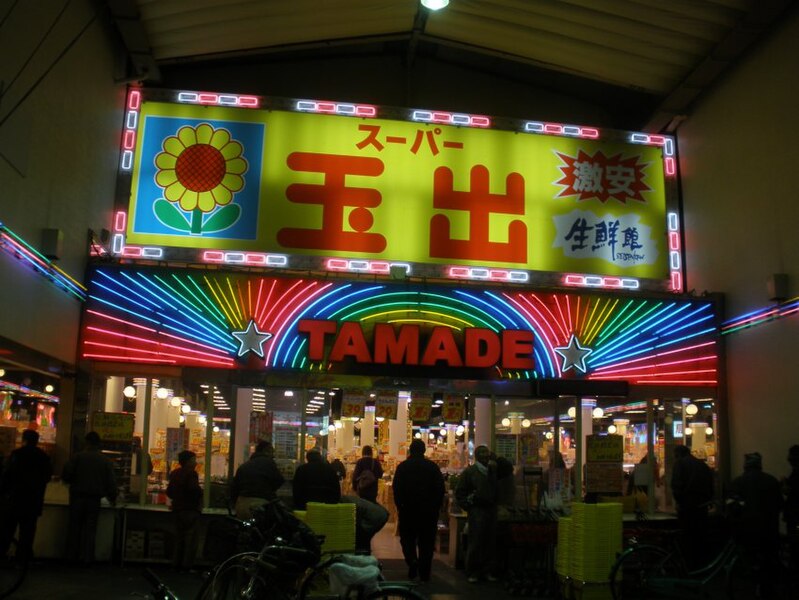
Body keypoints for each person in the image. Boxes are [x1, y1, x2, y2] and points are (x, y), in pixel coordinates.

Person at [728, 452, 783, 598]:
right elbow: (779, 505)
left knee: (749, 561)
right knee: (768, 562)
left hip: (746, 531)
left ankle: (752, 586)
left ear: (746, 465)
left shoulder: (738, 482)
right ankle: (768, 589)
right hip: (769, 531)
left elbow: (732, 506)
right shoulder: (771, 481)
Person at [392, 439, 445, 582]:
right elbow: (440, 489)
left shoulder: (403, 467)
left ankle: (412, 561)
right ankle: (424, 572)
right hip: (428, 512)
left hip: (408, 510)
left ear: (410, 450)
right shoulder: (432, 467)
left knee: (407, 539)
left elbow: (396, 489)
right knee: (426, 542)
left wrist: (400, 506)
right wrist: (436, 507)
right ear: (423, 451)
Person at [62, 431, 117, 566]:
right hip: (94, 499)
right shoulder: (104, 461)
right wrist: (112, 497)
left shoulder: (77, 457)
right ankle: (87, 558)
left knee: (74, 528)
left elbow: (66, 475)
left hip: (77, 497)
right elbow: (111, 482)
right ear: (98, 444)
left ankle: (71, 557)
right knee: (90, 529)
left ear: (86, 442)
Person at [0, 429, 53, 561]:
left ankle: (2, 555)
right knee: (27, 533)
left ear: (24, 439)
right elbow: (47, 477)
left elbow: (7, 476)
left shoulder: (16, 454)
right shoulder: (43, 457)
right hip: (33, 501)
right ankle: (22, 559)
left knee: (7, 530)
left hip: (15, 499)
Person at [455, 444, 498, 583]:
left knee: (490, 541)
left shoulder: (492, 471)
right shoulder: (470, 472)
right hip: (477, 510)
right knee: (476, 540)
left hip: (490, 509)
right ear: (478, 456)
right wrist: (468, 505)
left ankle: (487, 570)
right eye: (483, 453)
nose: (486, 455)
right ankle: (473, 571)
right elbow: (460, 492)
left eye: (487, 452)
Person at [166, 450, 203, 571]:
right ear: (188, 461)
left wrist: (177, 499)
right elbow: (194, 490)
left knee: (179, 538)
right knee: (191, 540)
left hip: (177, 510)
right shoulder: (191, 474)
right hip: (190, 510)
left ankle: (176, 564)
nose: (195, 462)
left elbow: (169, 492)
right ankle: (186, 566)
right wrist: (200, 494)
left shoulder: (175, 473)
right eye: (193, 459)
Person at [230, 441, 285, 518]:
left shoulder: (244, 466)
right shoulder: (269, 463)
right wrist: (269, 490)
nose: (273, 455)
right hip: (260, 505)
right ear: (266, 450)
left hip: (242, 504)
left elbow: (234, 488)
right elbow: (279, 480)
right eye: (272, 452)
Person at [783, 444, 799, 570]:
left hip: (794, 515)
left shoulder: (796, 472)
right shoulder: (795, 471)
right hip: (793, 514)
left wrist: (786, 486)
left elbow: (793, 491)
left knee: (794, 541)